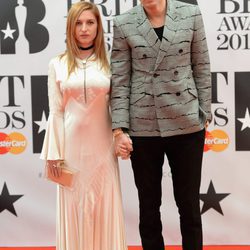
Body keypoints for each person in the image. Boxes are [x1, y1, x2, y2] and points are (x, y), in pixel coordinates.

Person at [111, 0, 211, 249]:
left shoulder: (191, 14)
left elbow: (201, 65)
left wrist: (204, 113)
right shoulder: (124, 23)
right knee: (148, 207)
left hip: (186, 123)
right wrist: (119, 129)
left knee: (188, 206)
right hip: (143, 125)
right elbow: (121, 79)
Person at [40, 2, 127, 250]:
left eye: (90, 22)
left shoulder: (111, 64)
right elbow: (55, 112)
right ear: (70, 27)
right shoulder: (56, 64)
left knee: (104, 207)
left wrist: (121, 137)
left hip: (103, 151)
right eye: (78, 23)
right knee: (73, 209)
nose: (84, 29)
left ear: (99, 27)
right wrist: (54, 156)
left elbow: (119, 108)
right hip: (70, 153)